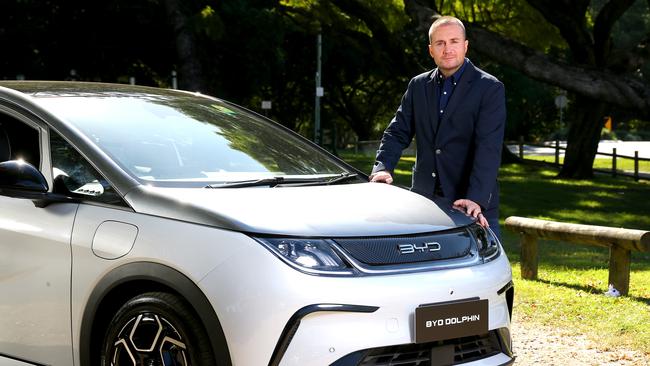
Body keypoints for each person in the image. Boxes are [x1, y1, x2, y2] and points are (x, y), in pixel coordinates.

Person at [369, 15, 506, 238]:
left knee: (478, 268)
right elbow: (397, 131)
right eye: (440, 43)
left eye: (454, 41)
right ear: (431, 50)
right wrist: (383, 167)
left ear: (465, 46)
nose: (447, 49)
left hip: (470, 201)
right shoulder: (418, 85)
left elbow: (488, 148)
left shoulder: (489, 88)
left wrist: (476, 198)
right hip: (425, 199)